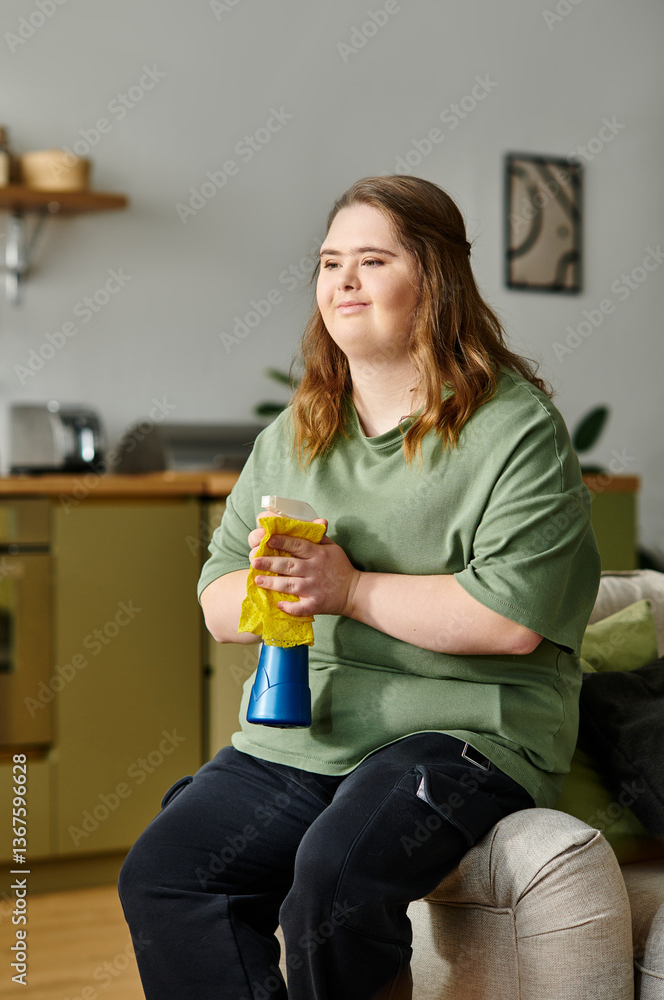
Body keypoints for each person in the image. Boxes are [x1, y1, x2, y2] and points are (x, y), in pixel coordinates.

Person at [118, 175, 601, 1000]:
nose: (342, 280)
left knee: (333, 880)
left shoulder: (515, 429)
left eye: (372, 261)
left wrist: (344, 590)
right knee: (168, 872)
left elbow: (508, 619)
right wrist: (274, 586)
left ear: (435, 280)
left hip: (463, 733)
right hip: (307, 733)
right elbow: (218, 602)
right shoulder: (297, 430)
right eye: (329, 261)